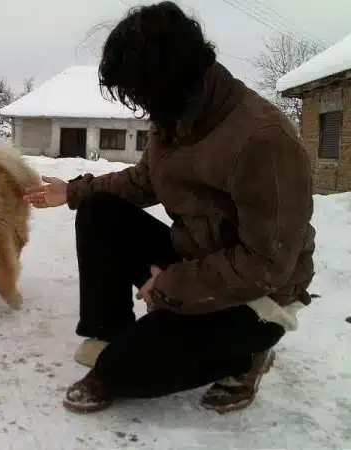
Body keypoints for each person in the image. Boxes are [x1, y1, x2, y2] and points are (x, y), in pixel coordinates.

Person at [23, 1, 315, 415]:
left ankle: (247, 356)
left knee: (119, 374)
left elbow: (266, 265)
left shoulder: (263, 140)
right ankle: (112, 333)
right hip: (199, 259)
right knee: (98, 209)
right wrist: (73, 192)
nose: (138, 103)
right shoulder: (177, 116)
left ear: (171, 80)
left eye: (140, 92)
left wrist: (173, 285)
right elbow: (143, 181)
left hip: (257, 294)